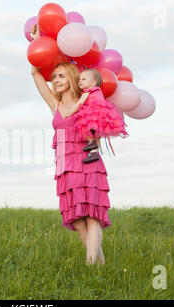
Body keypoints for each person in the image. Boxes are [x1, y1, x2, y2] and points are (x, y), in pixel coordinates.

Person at [31, 60, 111, 266]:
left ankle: (90, 267)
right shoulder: (55, 104)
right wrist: (37, 42)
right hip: (65, 164)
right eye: (54, 76)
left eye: (62, 76)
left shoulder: (88, 100)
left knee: (92, 215)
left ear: (73, 78)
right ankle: (99, 264)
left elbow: (101, 122)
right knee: (77, 218)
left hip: (87, 160)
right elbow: (35, 74)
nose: (56, 80)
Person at [74, 69, 129, 164]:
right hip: (103, 115)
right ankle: (94, 152)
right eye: (80, 79)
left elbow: (80, 103)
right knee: (97, 134)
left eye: (83, 79)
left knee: (85, 126)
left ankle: (91, 143)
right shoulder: (98, 91)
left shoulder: (87, 92)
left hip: (93, 114)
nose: (80, 81)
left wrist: (71, 111)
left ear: (93, 83)